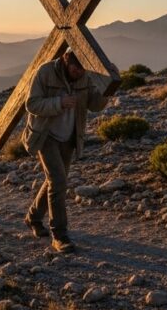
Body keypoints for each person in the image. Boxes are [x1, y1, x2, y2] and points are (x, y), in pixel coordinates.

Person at [21, 50, 111, 253]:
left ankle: (34, 218)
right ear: (65, 61)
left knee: (55, 181)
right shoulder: (45, 72)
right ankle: (59, 236)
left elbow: (95, 105)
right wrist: (59, 103)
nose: (78, 73)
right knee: (58, 181)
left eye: (82, 69)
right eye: (75, 69)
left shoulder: (85, 76)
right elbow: (31, 104)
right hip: (45, 136)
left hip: (68, 138)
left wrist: (109, 88)